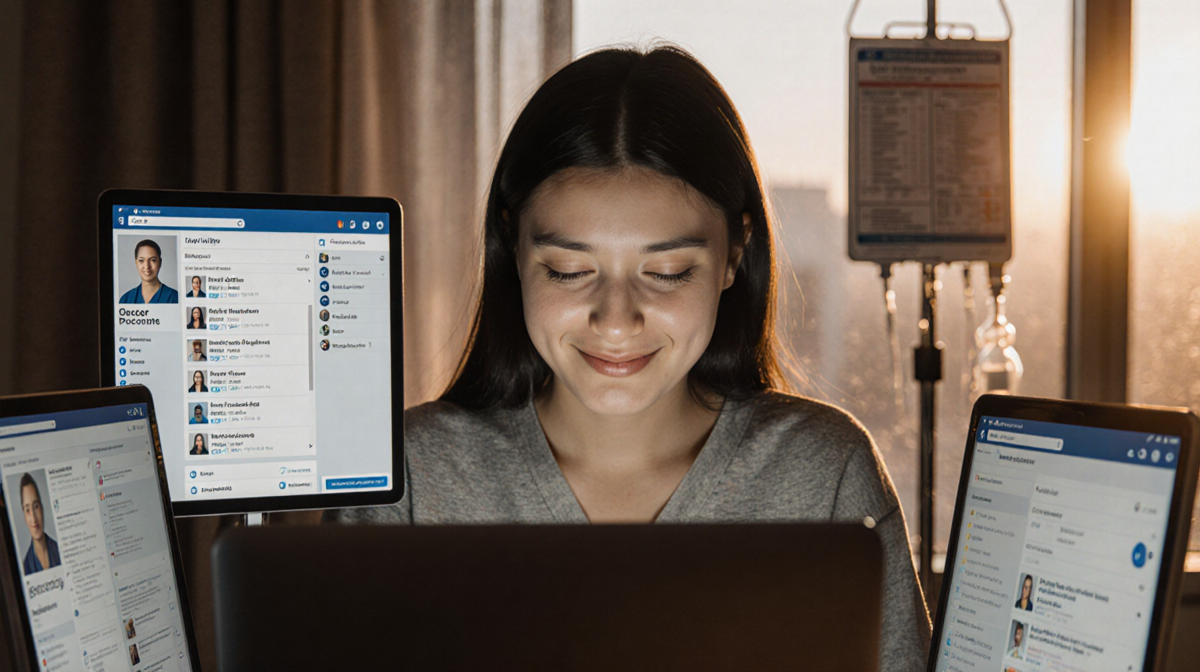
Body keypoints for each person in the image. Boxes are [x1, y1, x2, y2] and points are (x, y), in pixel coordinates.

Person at [325, 46, 930, 668]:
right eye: (568, 270)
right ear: (512, 247)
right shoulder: (410, 477)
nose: (616, 322)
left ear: (734, 254)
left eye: (667, 273)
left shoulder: (823, 475)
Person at [19, 473, 61, 575]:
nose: (34, 518)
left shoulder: (60, 549)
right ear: (24, 516)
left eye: (36, 506)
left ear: (42, 508)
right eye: (28, 510)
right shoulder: (26, 568)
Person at [119, 239, 178, 304]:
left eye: (153, 260)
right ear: (136, 262)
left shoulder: (174, 298)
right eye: (141, 260)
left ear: (160, 262)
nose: (147, 266)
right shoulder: (126, 299)